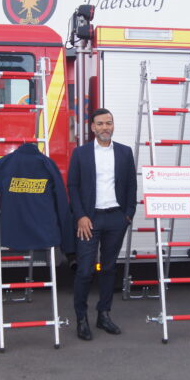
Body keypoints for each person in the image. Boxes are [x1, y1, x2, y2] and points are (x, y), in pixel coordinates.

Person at [68, 108, 137, 341]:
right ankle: (81, 319)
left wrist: (128, 215)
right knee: (85, 270)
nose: (105, 127)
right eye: (100, 124)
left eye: (109, 123)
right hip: (89, 219)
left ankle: (104, 315)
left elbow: (130, 185)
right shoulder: (81, 153)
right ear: (92, 128)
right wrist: (80, 216)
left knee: (108, 269)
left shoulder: (125, 153)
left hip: (116, 218)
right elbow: (73, 187)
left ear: (113, 126)